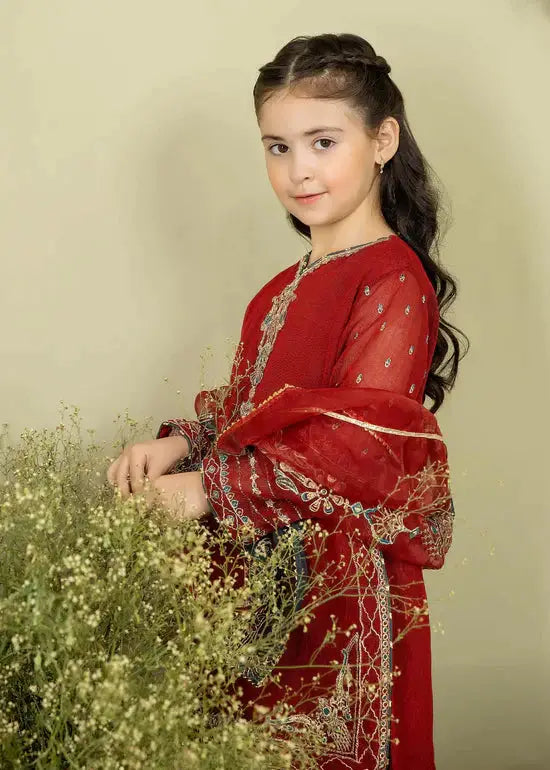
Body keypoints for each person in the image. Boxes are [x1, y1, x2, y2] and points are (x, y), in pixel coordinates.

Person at [107, 33, 468, 770]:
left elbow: (358, 453)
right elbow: (249, 411)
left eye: (322, 141)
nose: (298, 170)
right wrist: (180, 443)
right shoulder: (280, 288)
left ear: (382, 140)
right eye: (277, 147)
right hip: (253, 580)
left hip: (334, 590)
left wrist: (208, 489)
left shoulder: (394, 283)